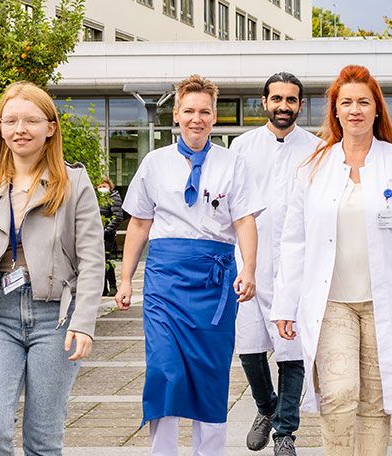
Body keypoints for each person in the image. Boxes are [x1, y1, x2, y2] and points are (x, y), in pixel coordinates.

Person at [270, 64, 392, 456]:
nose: (355, 110)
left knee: (375, 400)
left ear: (377, 109)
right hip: (331, 301)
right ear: (335, 111)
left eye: (364, 102)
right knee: (339, 391)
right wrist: (285, 303)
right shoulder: (314, 167)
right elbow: (293, 241)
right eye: (346, 102)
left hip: (388, 301)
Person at [0, 82, 104, 456]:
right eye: (12, 120)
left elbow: (92, 259)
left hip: (55, 318)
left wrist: (83, 322)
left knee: (42, 439)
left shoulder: (73, 184)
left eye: (32, 120)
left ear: (50, 127)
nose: (21, 129)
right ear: (0, 127)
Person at [114, 74, 261, 456]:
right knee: (165, 370)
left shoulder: (233, 163)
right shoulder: (154, 163)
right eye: (189, 110)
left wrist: (249, 270)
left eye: (205, 112)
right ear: (176, 114)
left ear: (215, 117)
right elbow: (140, 223)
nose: (197, 118)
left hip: (215, 281)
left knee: (210, 374)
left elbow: (245, 220)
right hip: (165, 281)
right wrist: (126, 278)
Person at [230, 72, 321, 456]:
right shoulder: (241, 146)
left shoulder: (318, 148)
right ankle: (266, 408)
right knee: (249, 347)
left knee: (293, 353)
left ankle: (285, 432)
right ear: (264, 102)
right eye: (277, 99)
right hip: (250, 260)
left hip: (297, 265)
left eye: (291, 100)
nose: (284, 106)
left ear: (301, 105)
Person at [98, 178, 125, 296]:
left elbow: (117, 216)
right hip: (97, 234)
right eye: (99, 186)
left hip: (107, 235)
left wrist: (107, 230)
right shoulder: (98, 199)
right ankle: (103, 288)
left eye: (104, 186)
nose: (102, 189)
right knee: (99, 261)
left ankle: (113, 286)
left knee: (106, 260)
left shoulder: (114, 197)